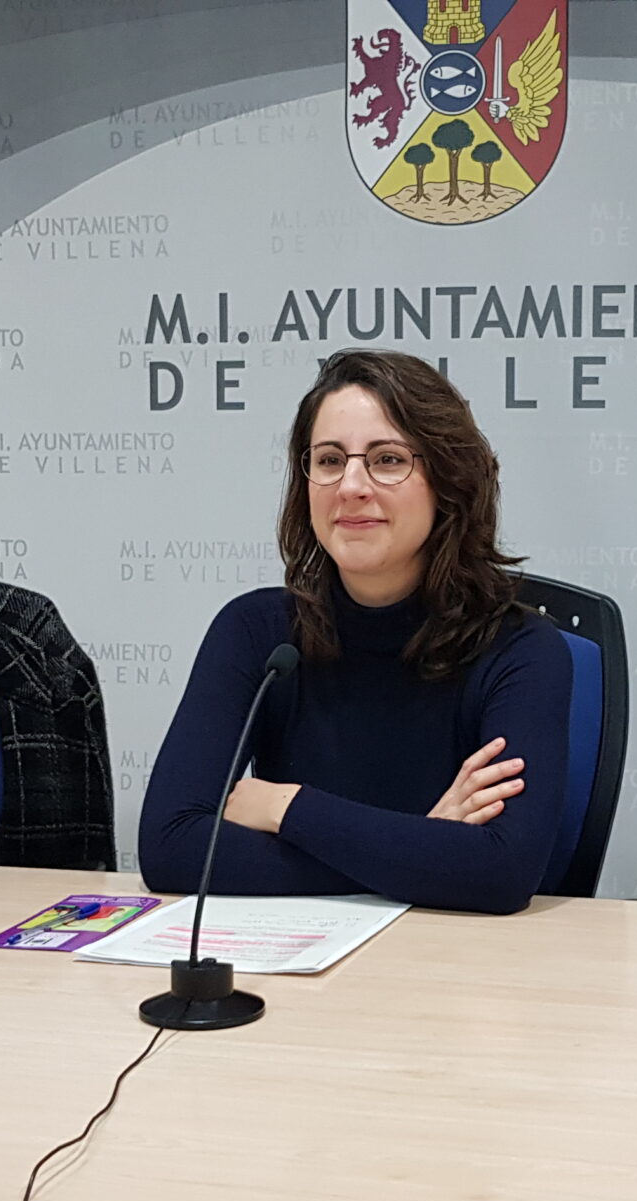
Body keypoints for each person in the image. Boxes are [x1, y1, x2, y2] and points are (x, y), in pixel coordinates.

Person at [137, 349, 571, 914]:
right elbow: (170, 848)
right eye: (329, 460)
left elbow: (502, 872)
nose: (351, 486)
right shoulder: (256, 633)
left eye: (388, 460)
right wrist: (422, 850)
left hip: (456, 959)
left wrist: (287, 808)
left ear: (449, 480)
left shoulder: (521, 649)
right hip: (297, 956)